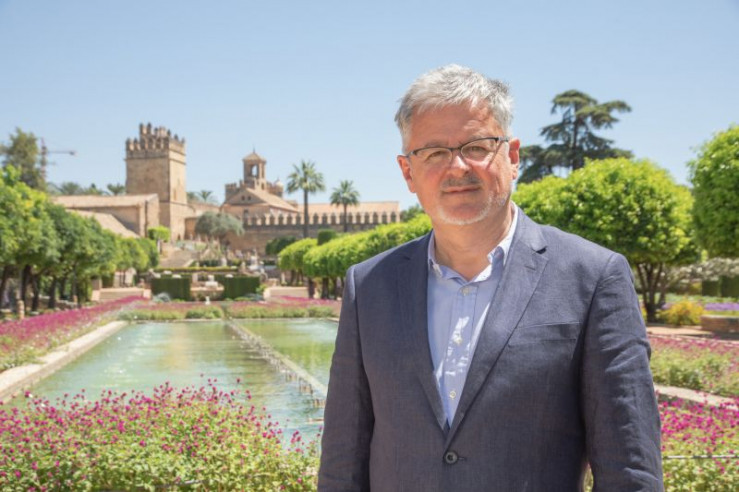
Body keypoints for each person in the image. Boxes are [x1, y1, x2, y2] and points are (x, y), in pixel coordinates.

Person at [318, 64, 663, 491]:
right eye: (434, 152)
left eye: (477, 146)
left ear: (512, 157)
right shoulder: (368, 286)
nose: (457, 166)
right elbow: (342, 464)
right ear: (408, 172)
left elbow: (630, 470)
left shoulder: (593, 278)